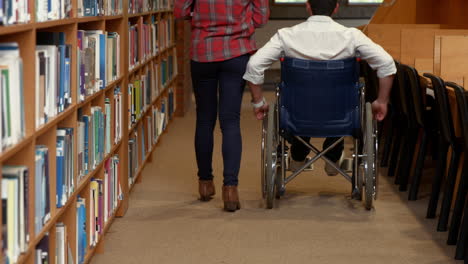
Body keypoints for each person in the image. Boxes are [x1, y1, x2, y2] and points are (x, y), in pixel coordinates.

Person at [243, 0, 396, 175]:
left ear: (308, 6)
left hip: (297, 115)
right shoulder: (352, 36)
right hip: (341, 116)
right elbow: (387, 63)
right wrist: (382, 101)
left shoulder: (285, 36)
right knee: (339, 102)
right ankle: (333, 156)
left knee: (303, 101)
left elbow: (254, 65)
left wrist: (258, 102)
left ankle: (298, 155)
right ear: (336, 8)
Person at [174, 0, 269, 212]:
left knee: (205, 120)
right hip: (237, 52)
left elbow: (180, 11)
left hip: (202, 51)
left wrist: (201, 19)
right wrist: (238, 23)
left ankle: (205, 184)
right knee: (230, 120)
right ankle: (230, 189)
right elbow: (261, 18)